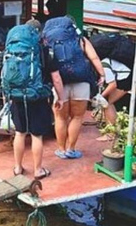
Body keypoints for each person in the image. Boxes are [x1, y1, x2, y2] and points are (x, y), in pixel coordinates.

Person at [3, 19, 65, 179]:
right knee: (37, 135)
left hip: (16, 95)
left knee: (20, 133)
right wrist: (61, 98)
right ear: (38, 33)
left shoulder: (13, 48)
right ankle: (38, 170)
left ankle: (18, 168)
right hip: (37, 96)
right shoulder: (44, 50)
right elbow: (56, 78)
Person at [42, 16, 104, 160]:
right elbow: (94, 58)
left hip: (59, 83)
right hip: (81, 81)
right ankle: (71, 149)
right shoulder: (80, 39)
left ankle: (61, 150)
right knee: (77, 117)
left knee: (60, 118)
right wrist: (101, 74)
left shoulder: (48, 41)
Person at [90, 32, 136, 125]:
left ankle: (111, 134)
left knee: (107, 103)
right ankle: (110, 127)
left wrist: (100, 97)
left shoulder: (104, 65)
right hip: (127, 75)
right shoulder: (105, 60)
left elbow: (113, 84)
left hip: (127, 79)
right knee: (105, 102)